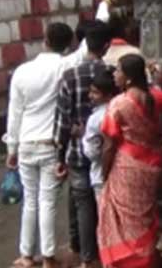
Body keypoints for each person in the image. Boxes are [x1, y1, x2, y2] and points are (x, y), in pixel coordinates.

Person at [4, 22, 76, 268]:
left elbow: (14, 114)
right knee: (47, 201)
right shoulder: (66, 66)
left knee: (30, 200)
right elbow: (87, 49)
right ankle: (48, 257)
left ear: (44, 39)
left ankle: (25, 255)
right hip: (51, 144)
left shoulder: (22, 72)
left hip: (25, 142)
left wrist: (11, 150)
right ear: (68, 44)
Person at [97, 54, 162, 268]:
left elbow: (108, 144)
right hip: (152, 165)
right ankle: (146, 258)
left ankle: (128, 261)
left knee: (124, 222)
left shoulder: (119, 104)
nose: (114, 75)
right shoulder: (152, 98)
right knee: (143, 217)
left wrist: (104, 172)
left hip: (127, 167)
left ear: (127, 78)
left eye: (118, 71)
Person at [55, 22, 111, 268]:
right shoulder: (112, 74)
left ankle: (87, 257)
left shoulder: (70, 76)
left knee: (82, 202)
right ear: (106, 47)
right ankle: (104, 250)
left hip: (77, 152)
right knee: (103, 202)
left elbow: (62, 122)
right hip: (106, 152)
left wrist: (59, 156)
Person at [82, 67, 118, 206]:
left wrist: (84, 138)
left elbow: (92, 153)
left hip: (101, 175)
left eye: (95, 93)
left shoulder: (96, 119)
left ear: (108, 95)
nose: (90, 95)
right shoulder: (123, 108)